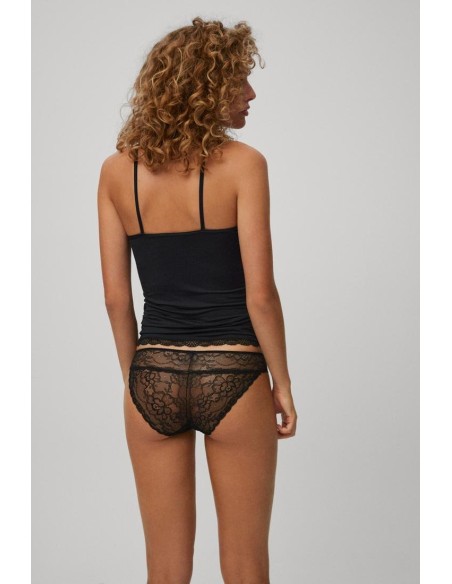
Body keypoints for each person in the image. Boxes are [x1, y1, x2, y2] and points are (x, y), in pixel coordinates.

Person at [97, 16, 297, 584]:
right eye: (239, 80)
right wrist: (282, 383)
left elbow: (116, 300)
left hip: (152, 374)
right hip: (233, 372)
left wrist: (136, 380)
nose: (251, 93)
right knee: (246, 567)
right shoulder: (245, 164)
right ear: (207, 87)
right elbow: (261, 295)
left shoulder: (117, 172)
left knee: (164, 571)